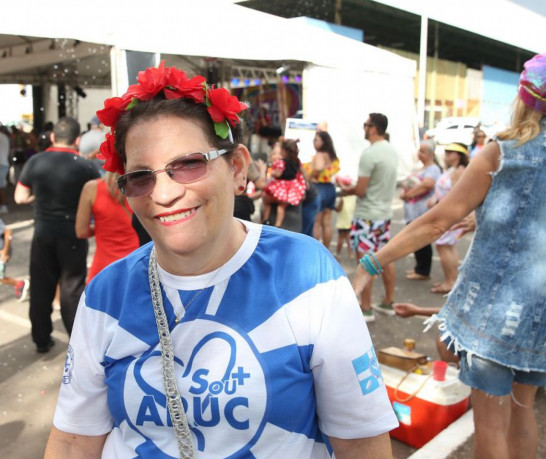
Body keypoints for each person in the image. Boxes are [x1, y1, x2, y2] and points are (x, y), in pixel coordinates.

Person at [45, 63, 396, 458]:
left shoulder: (305, 273)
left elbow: (361, 442)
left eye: (188, 164)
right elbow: (73, 440)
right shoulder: (106, 294)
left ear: (237, 168)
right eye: (141, 176)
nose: (163, 194)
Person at [351, 50, 546, 459]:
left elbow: (437, 222)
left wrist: (371, 263)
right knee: (523, 411)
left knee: (490, 425)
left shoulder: (503, 152)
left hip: (492, 313)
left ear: (525, 98)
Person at [14, 117, 99, 353]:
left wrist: (38, 197)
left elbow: (19, 197)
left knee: (41, 287)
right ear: (77, 140)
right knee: (72, 289)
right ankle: (77, 342)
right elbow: (99, 196)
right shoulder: (84, 165)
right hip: (73, 234)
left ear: (52, 136)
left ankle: (41, 339)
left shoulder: (36, 161)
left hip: (43, 232)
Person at [339, 113, 398, 321]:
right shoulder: (391, 150)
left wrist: (346, 189)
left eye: (365, 124)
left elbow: (361, 190)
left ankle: (366, 307)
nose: (363, 128)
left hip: (367, 215)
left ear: (373, 128)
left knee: (366, 261)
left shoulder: (370, 154)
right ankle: (388, 302)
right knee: (386, 258)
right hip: (384, 214)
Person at [75, 171, 139, 283]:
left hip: (102, 270)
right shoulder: (141, 188)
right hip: (134, 266)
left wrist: (101, 227)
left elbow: (81, 232)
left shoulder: (92, 188)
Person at [426, 142, 468, 294]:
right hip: (446, 212)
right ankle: (452, 279)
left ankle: (450, 281)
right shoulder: (452, 170)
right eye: (446, 152)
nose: (446, 155)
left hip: (449, 214)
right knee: (447, 246)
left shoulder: (459, 171)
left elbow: (457, 194)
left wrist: (438, 203)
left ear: (459, 155)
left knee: (443, 245)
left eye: (450, 152)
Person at [399, 140, 442, 281]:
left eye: (423, 151)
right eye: (419, 151)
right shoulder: (420, 168)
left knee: (421, 240)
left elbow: (427, 185)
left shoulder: (433, 169)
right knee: (415, 240)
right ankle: (419, 267)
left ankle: (423, 271)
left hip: (422, 211)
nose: (419, 154)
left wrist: (408, 195)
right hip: (413, 211)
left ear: (431, 154)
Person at [304, 131, 341, 247]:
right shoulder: (332, 156)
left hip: (319, 188)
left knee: (316, 221)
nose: (313, 142)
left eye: (316, 140)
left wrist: (310, 177)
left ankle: (315, 249)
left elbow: (319, 168)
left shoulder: (319, 154)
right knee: (327, 222)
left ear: (323, 142)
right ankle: (327, 249)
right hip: (330, 188)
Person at [261, 138, 306, 227]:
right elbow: (302, 174)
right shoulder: (297, 163)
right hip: (290, 190)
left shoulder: (281, 162)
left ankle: (266, 220)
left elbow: (278, 173)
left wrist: (273, 173)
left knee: (266, 201)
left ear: (284, 151)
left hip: (279, 188)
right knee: (281, 207)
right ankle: (278, 225)